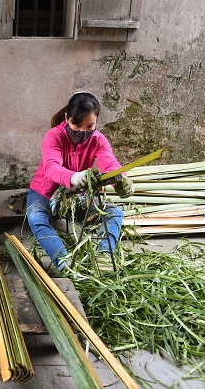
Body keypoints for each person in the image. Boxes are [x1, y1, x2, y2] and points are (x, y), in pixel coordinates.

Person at [25, 92, 133, 273]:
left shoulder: (98, 140)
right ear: (67, 118)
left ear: (96, 121)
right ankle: (64, 262)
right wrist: (73, 177)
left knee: (115, 213)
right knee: (36, 218)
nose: (83, 132)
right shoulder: (54, 136)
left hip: (76, 195)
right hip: (45, 190)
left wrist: (122, 179)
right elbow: (51, 167)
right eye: (77, 125)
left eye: (90, 126)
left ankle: (103, 257)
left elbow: (110, 163)